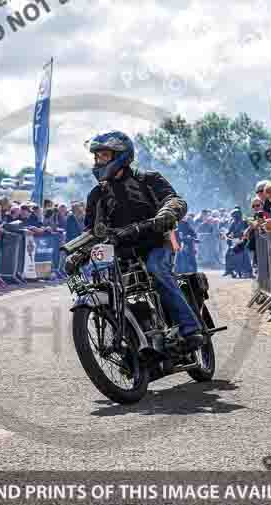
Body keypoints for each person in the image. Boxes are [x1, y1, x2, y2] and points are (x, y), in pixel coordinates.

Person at [64, 130, 203, 365]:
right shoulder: (97, 194)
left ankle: (190, 328)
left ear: (121, 155)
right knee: (107, 285)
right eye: (96, 157)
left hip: (155, 242)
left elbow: (174, 199)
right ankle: (137, 339)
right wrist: (78, 253)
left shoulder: (147, 178)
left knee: (156, 269)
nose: (98, 162)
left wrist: (167, 213)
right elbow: (92, 232)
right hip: (120, 250)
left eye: (104, 156)